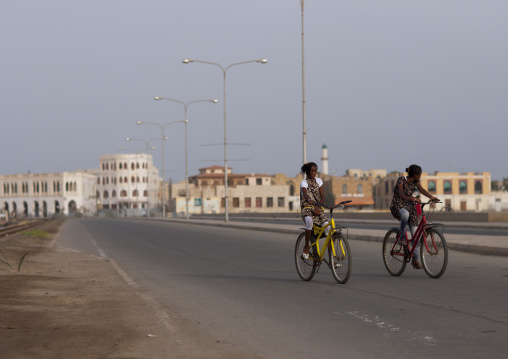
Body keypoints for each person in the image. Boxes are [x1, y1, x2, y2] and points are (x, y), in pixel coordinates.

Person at [390, 165, 439, 269]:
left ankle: (415, 260)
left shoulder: (416, 182)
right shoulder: (401, 180)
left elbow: (422, 190)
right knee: (405, 214)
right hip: (398, 205)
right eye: (420, 174)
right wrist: (409, 198)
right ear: (415, 175)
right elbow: (401, 193)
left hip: (410, 207)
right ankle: (402, 236)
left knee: (415, 236)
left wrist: (431, 197)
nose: (420, 176)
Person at [300, 162, 329, 259]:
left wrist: (319, 205)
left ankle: (331, 260)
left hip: (318, 209)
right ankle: (306, 247)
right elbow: (305, 193)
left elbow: (322, 197)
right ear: (307, 171)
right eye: (312, 170)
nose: (313, 173)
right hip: (307, 208)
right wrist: (309, 200)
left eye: (315, 170)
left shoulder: (319, 181)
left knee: (328, 230)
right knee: (309, 222)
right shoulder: (304, 182)